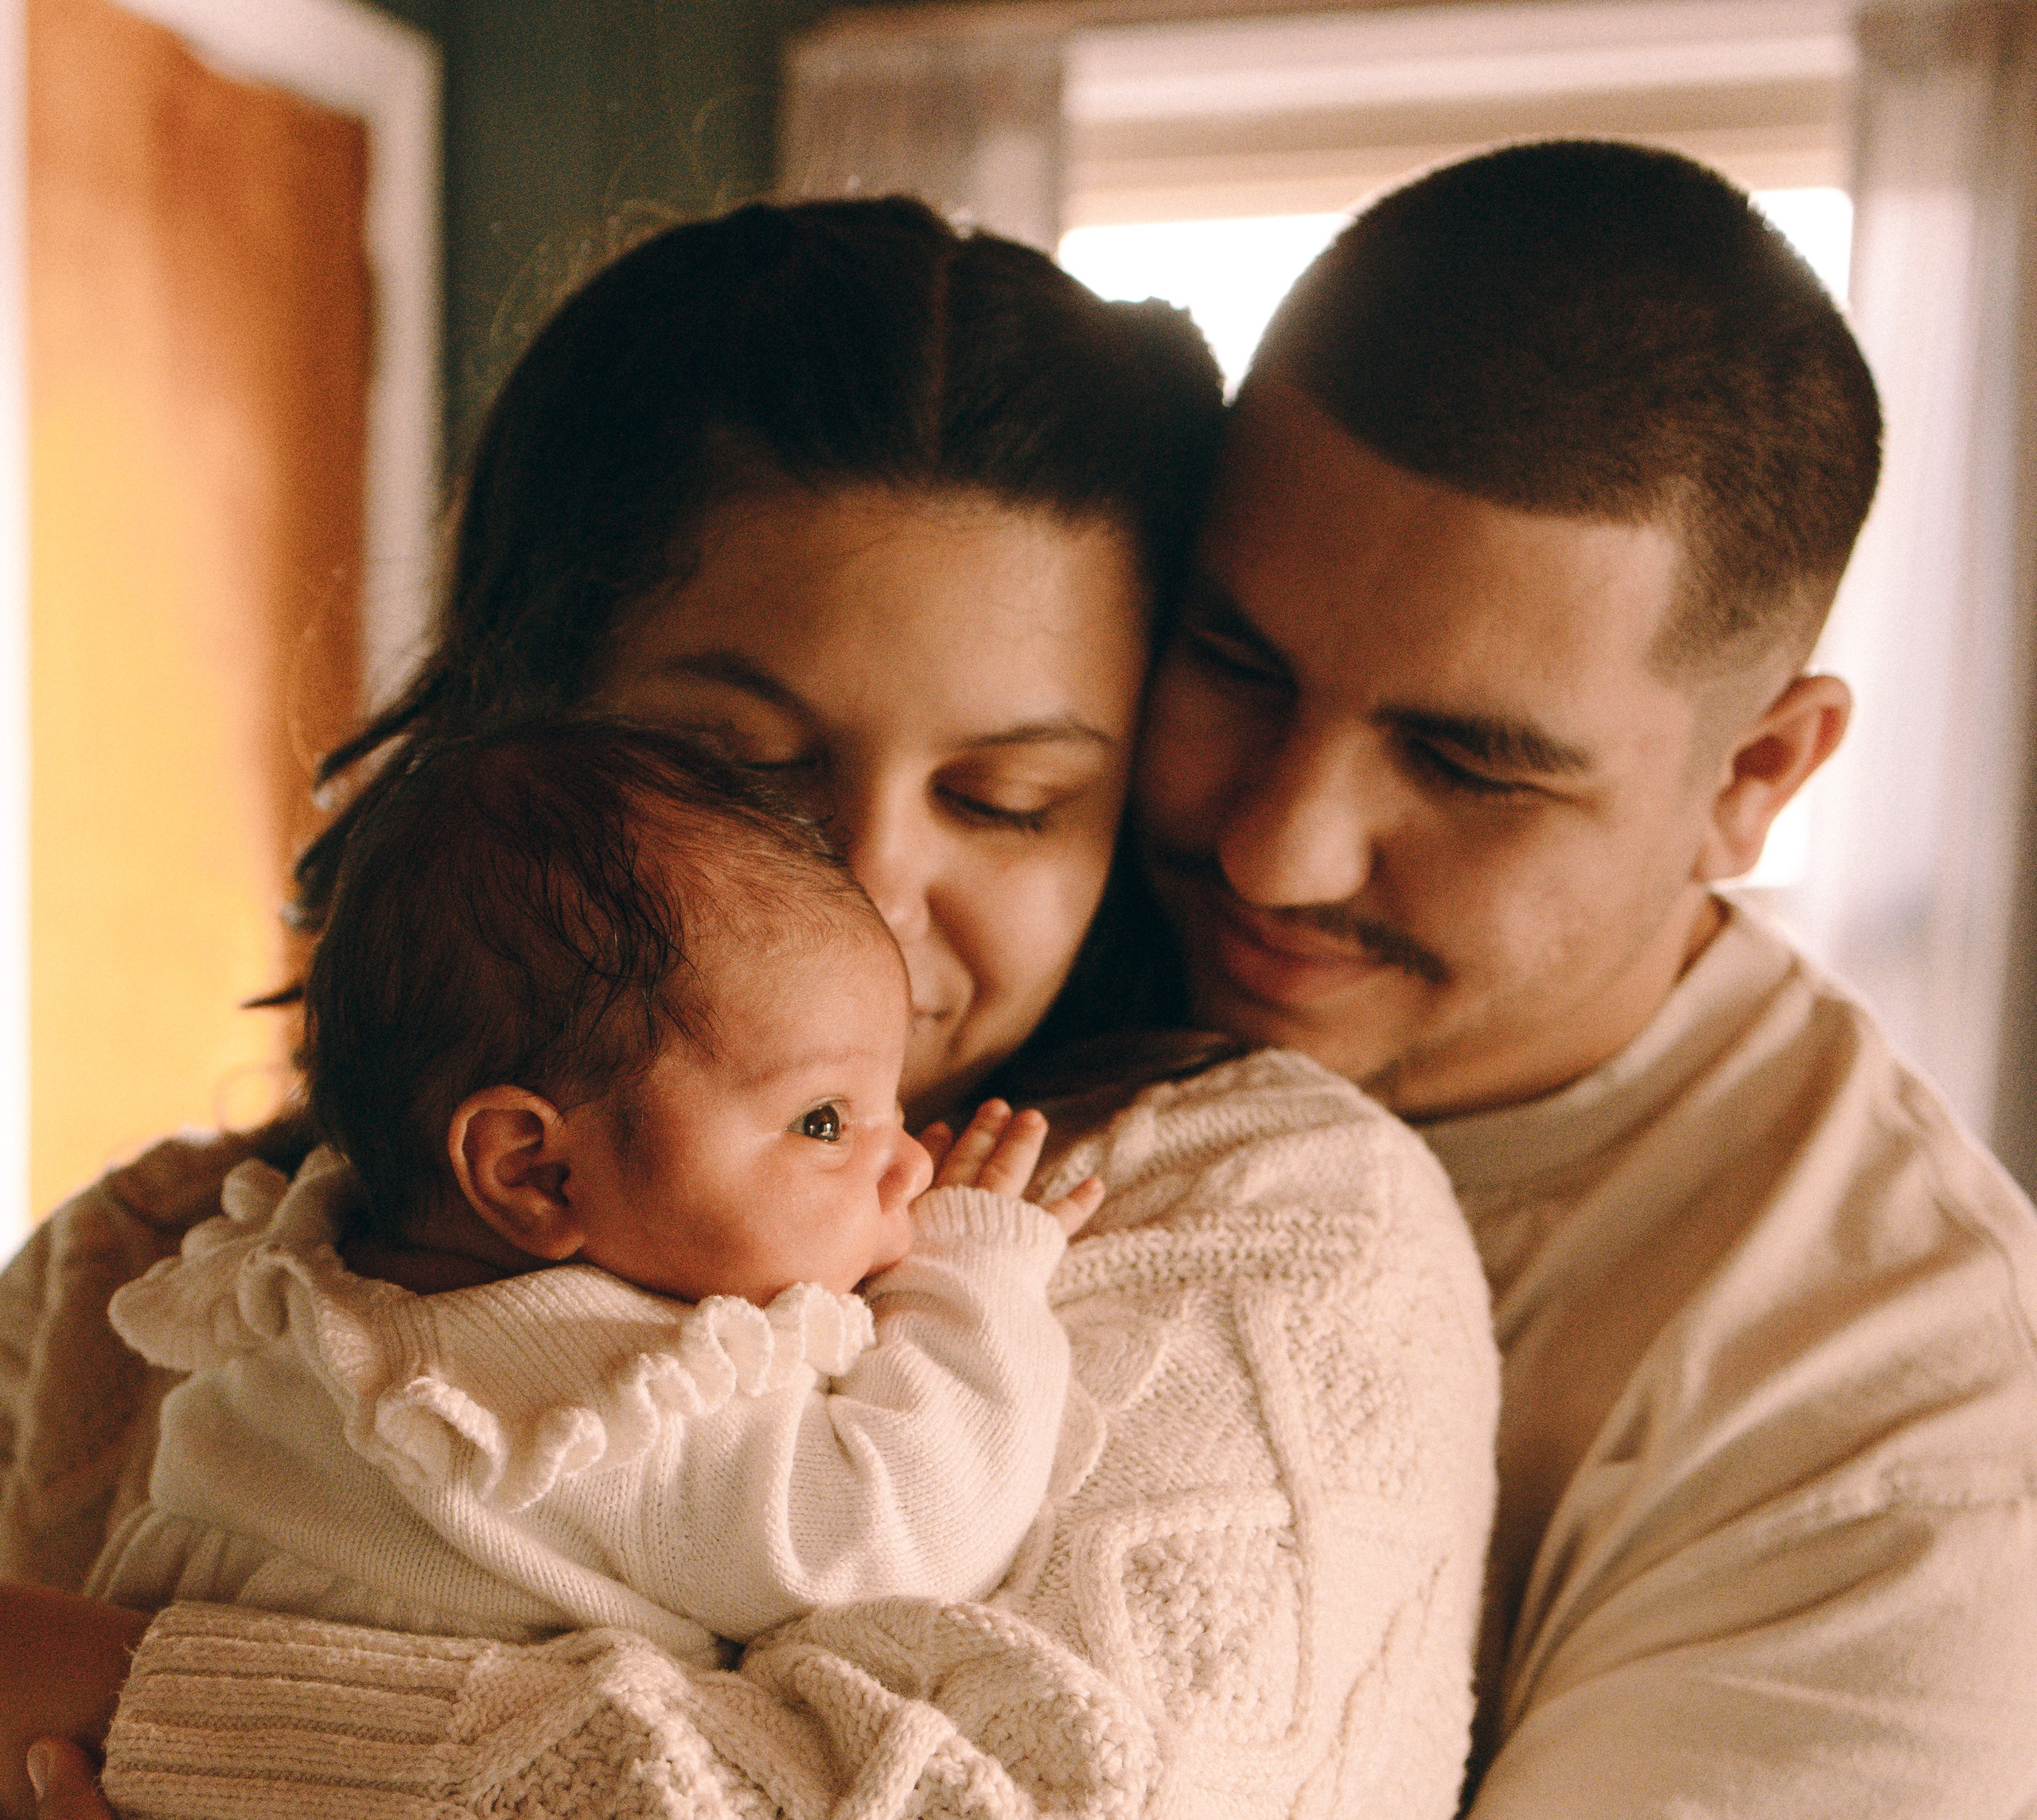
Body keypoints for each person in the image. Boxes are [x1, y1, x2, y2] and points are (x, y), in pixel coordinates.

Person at [0, 197, 1498, 1820]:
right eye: (738, 780)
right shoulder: (140, 1273)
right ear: (530, 727)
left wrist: (126, 1701)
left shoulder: (1267, 1218)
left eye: (1001, 797)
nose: (863, 892)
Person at [1135, 139, 2037, 1814]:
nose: (1275, 851)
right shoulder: (1014, 939)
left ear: (1752, 776)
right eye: (1231, 664)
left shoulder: (1892, 1425)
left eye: (1468, 762)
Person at [89, 718, 1105, 1660]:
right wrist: (976, 1269)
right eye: (824, 1122)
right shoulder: (584, 1398)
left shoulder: (304, 1298)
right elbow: (898, 1537)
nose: (913, 1165)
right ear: (535, 1172)